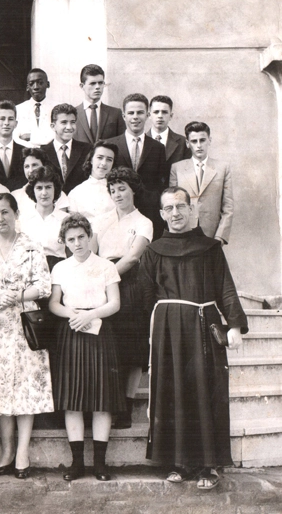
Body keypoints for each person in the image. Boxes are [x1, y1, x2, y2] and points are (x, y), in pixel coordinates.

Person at [138, 186, 247, 490]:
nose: (175, 213)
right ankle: (177, 464)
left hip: (203, 326)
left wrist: (235, 325)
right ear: (161, 214)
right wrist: (162, 324)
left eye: (180, 207)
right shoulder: (154, 250)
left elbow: (225, 287)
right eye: (168, 208)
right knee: (171, 392)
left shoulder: (210, 248)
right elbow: (146, 295)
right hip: (168, 330)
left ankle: (207, 466)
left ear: (191, 209)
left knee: (204, 391)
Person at [0, 193, 54, 479]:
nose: (1, 218)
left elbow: (44, 285)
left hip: (25, 324)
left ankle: (22, 453)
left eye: (6, 212)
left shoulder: (31, 247)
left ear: (16, 213)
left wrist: (18, 295)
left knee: (25, 388)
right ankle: (6, 451)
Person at [48, 213, 123, 482]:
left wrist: (91, 316)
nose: (77, 243)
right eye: (71, 239)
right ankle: (77, 463)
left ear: (89, 236)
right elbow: (53, 303)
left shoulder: (105, 266)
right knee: (73, 401)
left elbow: (115, 303)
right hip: (72, 332)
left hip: (100, 331)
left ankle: (100, 464)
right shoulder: (60, 268)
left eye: (81, 237)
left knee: (102, 400)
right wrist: (73, 315)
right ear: (64, 242)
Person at [93, 167, 153, 429]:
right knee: (109, 344)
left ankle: (126, 408)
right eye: (113, 189)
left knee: (132, 349)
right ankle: (110, 403)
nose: (117, 194)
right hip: (101, 281)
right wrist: (96, 280)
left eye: (122, 188)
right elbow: (92, 252)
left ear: (133, 190)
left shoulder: (144, 221)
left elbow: (132, 257)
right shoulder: (101, 220)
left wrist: (106, 277)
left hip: (130, 284)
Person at [107, 93, 168, 239]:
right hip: (118, 212)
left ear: (147, 115)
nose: (135, 117)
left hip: (149, 213)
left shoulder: (158, 147)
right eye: (131, 113)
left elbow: (161, 183)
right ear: (123, 116)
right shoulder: (111, 145)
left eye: (140, 112)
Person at [169, 122, 234, 244]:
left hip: (212, 235)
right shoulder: (177, 168)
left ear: (209, 140)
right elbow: (173, 203)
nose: (199, 145)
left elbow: (228, 207)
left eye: (202, 140)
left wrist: (220, 237)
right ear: (187, 144)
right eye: (194, 141)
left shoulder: (223, 168)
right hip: (184, 233)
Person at [17, 166, 68, 271]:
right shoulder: (23, 220)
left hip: (59, 270)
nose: (44, 193)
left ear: (55, 189)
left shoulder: (66, 220)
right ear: (33, 191)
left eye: (48, 187)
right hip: (30, 270)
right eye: (39, 188)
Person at [41, 104, 92, 194]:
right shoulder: (42, 152)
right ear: (53, 126)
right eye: (64, 122)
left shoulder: (87, 149)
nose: (69, 127)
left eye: (72, 122)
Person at [73, 64, 126, 144]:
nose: (97, 87)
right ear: (82, 86)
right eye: (92, 83)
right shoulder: (73, 114)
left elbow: (122, 143)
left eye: (100, 83)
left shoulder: (115, 113)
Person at [67, 141, 117, 223]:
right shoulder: (76, 193)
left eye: (109, 159)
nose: (104, 163)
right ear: (91, 160)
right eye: (100, 157)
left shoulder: (118, 190)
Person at [11, 148, 70, 214]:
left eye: (34, 165)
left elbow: (61, 220)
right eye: (27, 166)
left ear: (44, 166)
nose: (30, 170)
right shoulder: (15, 195)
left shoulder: (59, 195)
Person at [12, 68, 55, 148]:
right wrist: (35, 147)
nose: (36, 87)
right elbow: (15, 138)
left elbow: (56, 136)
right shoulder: (18, 109)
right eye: (31, 84)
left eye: (40, 82)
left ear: (48, 84)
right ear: (27, 87)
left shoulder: (56, 108)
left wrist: (31, 137)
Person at [0, 101, 27, 191]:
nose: (6, 123)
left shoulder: (25, 152)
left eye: (10, 119)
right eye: (2, 119)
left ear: (16, 123)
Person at [146, 95, 191, 170]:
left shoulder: (183, 143)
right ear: (149, 115)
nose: (160, 116)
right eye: (156, 112)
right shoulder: (142, 141)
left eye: (164, 112)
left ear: (171, 116)